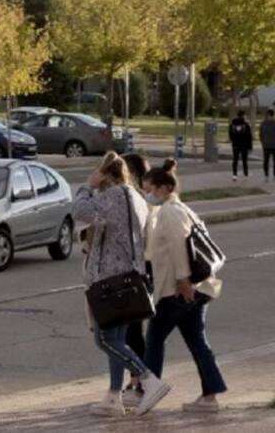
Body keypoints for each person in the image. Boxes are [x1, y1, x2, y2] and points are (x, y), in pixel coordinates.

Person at [71, 152, 170, 417]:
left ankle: (148, 380)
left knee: (104, 339)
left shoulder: (114, 195)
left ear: (105, 175)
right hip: (128, 277)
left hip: (109, 280)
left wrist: (88, 186)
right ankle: (114, 397)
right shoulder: (135, 196)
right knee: (117, 339)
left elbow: (79, 211)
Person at [141, 160, 226, 413]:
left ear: (163, 188)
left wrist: (183, 280)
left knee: (155, 337)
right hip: (197, 287)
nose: (147, 195)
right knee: (197, 341)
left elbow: (179, 246)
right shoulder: (182, 209)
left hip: (178, 289)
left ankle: (151, 389)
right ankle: (210, 396)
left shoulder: (170, 211)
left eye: (149, 189)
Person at [119, 153, 151, 406]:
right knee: (132, 331)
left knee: (131, 332)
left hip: (137, 272)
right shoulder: (140, 198)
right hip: (141, 271)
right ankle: (138, 381)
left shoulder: (136, 199)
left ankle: (141, 382)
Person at [228, 110, 252, 181]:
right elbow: (249, 136)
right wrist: (250, 146)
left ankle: (234, 175)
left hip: (235, 145)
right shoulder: (246, 124)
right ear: (243, 115)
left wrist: (233, 141)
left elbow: (230, 135)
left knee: (235, 160)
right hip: (244, 145)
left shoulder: (232, 124)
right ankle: (245, 174)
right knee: (244, 160)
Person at [260, 110, 275, 183]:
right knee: (266, 161)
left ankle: (271, 175)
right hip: (267, 145)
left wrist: (263, 142)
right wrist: (263, 142)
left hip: (270, 145)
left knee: (267, 161)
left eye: (268, 115)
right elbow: (261, 134)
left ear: (269, 115)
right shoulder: (263, 124)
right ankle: (267, 175)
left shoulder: (263, 124)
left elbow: (261, 134)